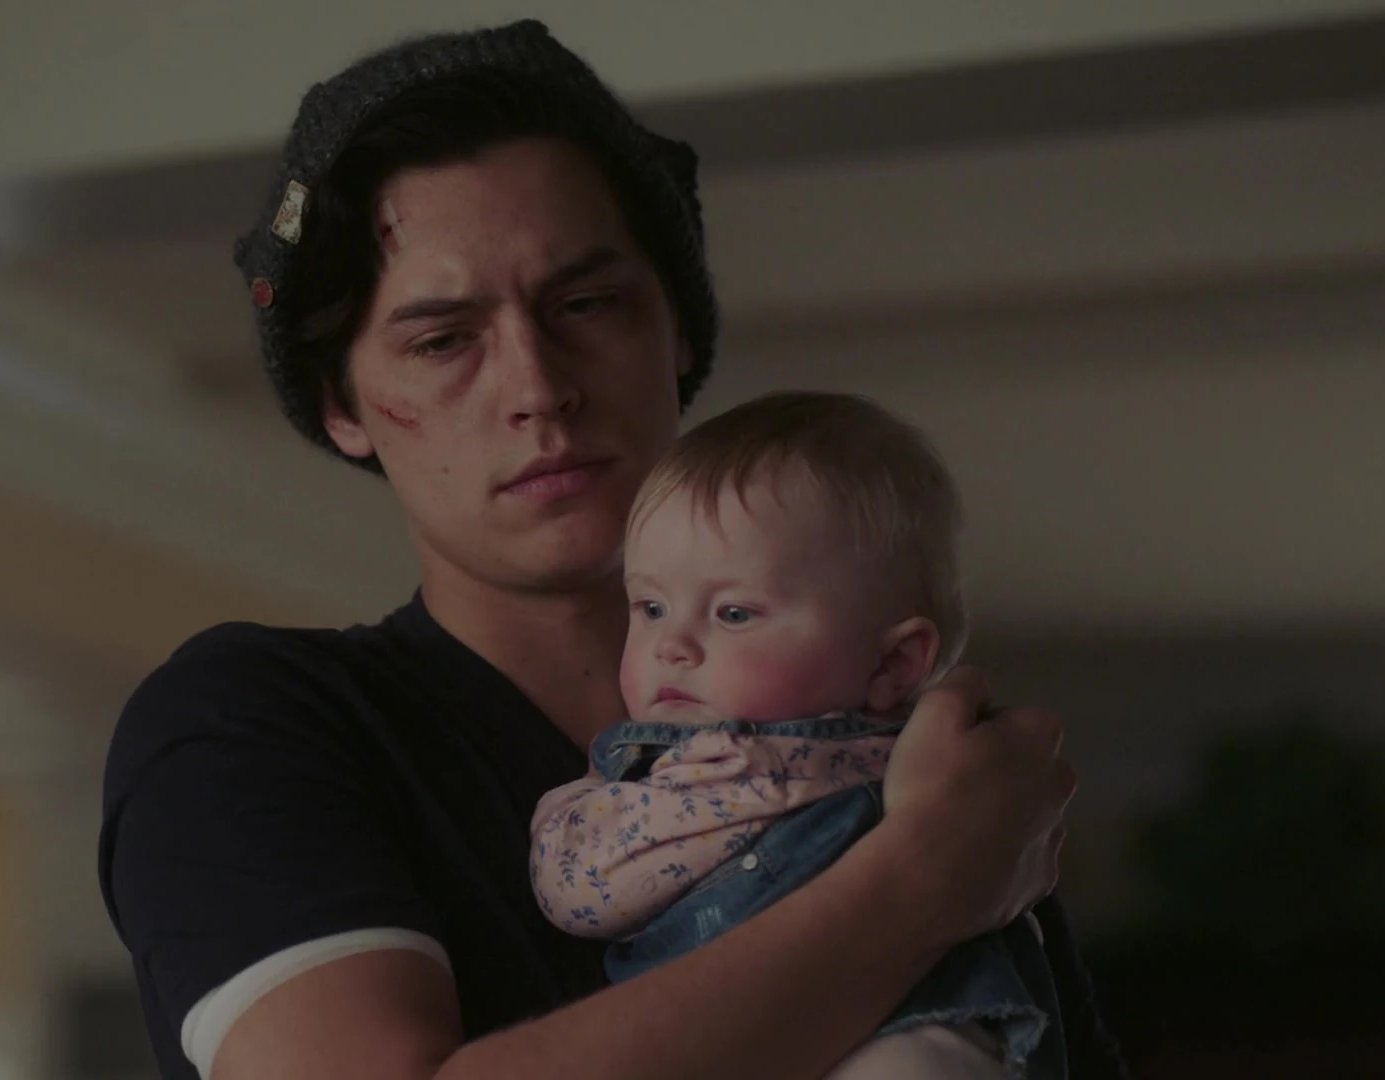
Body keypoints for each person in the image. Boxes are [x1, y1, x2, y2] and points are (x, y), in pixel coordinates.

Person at [99, 19, 1108, 1080]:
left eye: (585, 304)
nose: (539, 388)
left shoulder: (900, 751)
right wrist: (915, 887)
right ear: (342, 406)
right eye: (442, 340)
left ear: (678, 331)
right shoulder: (248, 725)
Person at [531, 392, 1110, 1078]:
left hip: (914, 1027)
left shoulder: (939, 760)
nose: (671, 644)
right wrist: (735, 798)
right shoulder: (638, 771)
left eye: (734, 613)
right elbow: (577, 890)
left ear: (893, 664)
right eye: (651, 606)